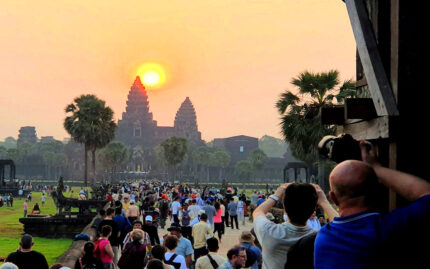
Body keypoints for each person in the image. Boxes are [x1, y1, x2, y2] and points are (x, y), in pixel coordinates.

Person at [314, 141, 430, 269]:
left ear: (334, 198)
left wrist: (324, 202)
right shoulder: (391, 228)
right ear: (377, 191)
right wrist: (377, 168)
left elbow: (342, 222)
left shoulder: (324, 238)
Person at [252, 182, 338, 269]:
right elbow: (342, 225)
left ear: (284, 206)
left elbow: (258, 212)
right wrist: (324, 202)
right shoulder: (321, 238)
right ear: (313, 210)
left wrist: (276, 195)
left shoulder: (268, 232)